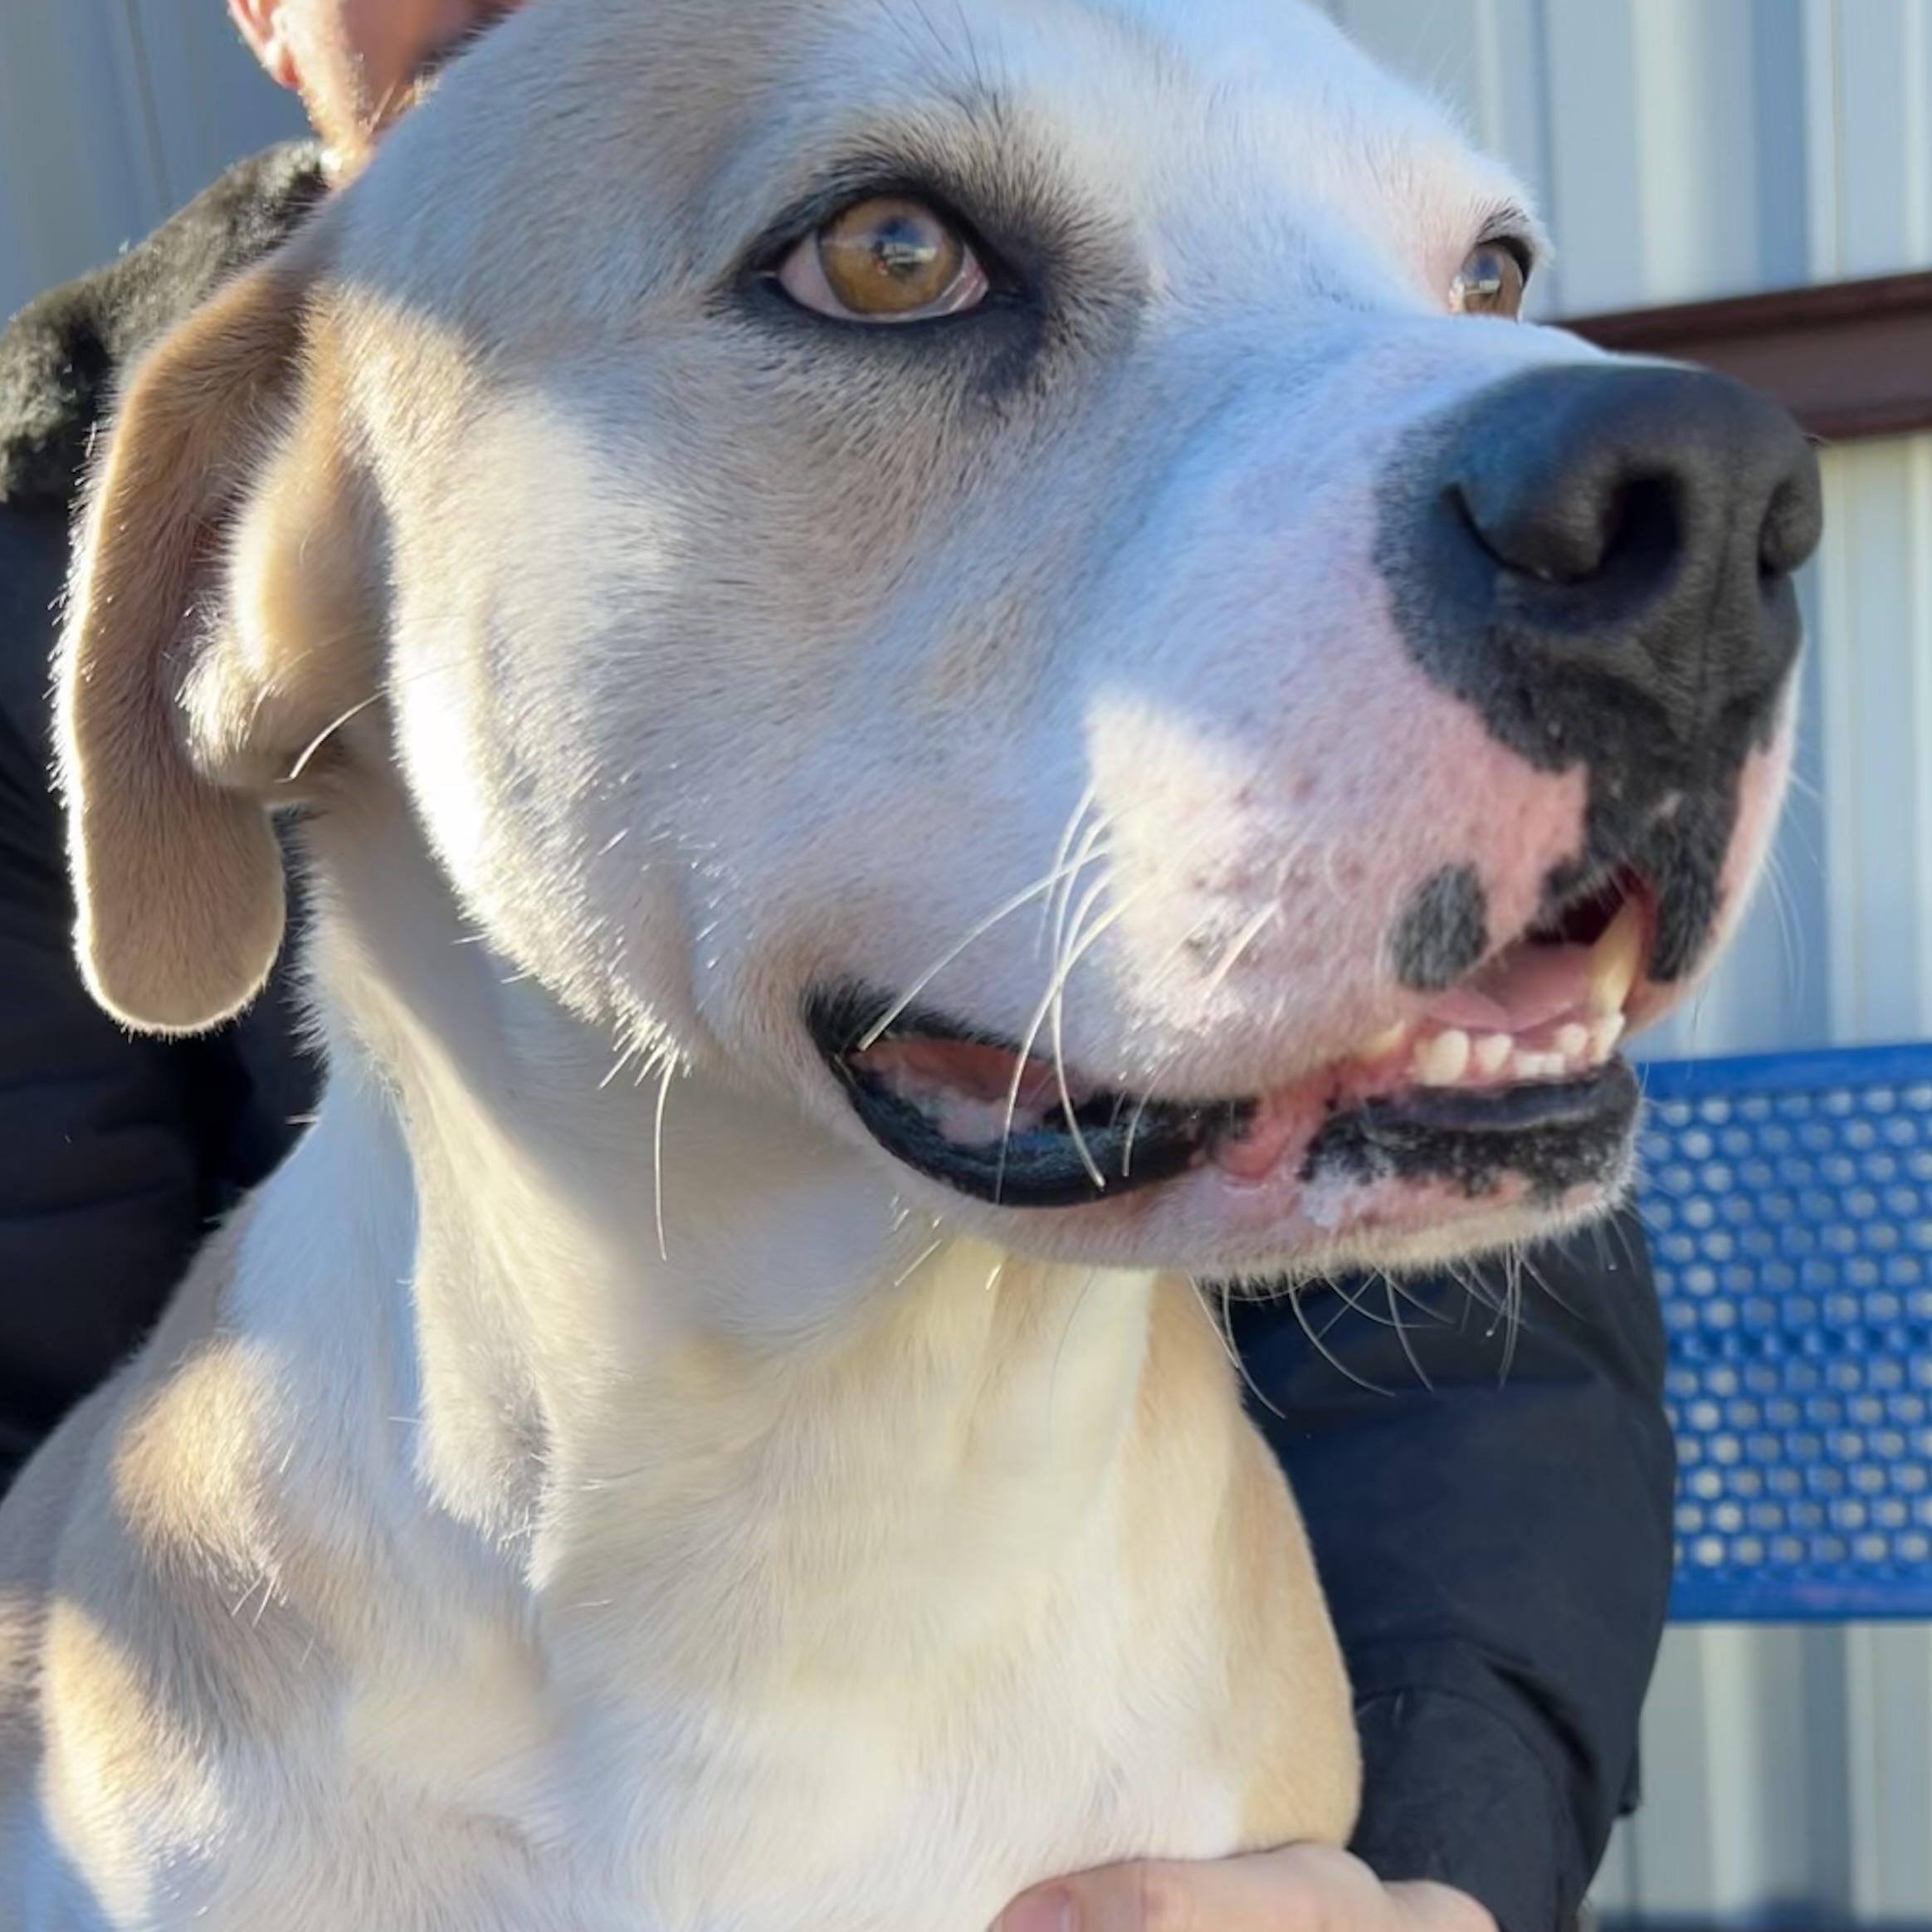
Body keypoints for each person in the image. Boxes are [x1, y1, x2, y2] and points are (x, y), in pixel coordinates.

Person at [0, 4, 1676, 1928]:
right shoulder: (148, 469)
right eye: (894, 263)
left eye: (1479, 283)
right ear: (231, 606)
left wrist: (1426, 1887)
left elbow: (1491, 1385)